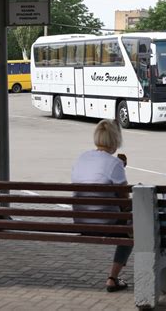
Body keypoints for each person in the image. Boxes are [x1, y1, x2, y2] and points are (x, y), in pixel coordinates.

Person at [71, 119, 131, 292]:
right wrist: (121, 167)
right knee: (136, 226)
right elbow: (125, 201)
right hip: (106, 225)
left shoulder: (81, 158)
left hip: (81, 222)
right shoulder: (115, 164)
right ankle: (112, 278)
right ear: (115, 140)